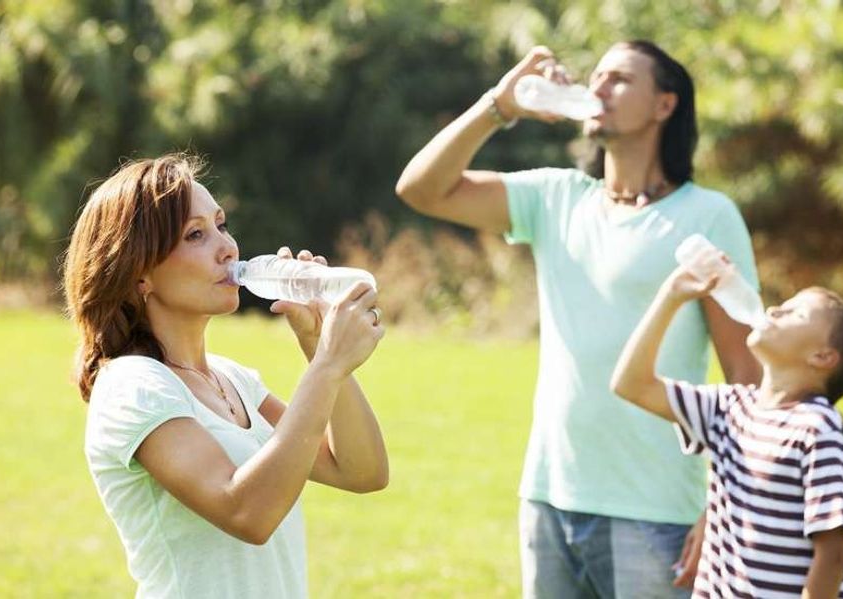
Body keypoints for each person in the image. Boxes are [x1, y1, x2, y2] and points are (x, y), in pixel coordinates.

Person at [396, 41, 762, 597]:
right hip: (549, 497)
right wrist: (501, 104)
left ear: (665, 105)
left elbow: (746, 376)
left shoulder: (709, 216)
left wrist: (724, 508)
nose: (598, 88)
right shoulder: (556, 197)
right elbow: (421, 189)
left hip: (655, 508)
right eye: (596, 76)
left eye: (619, 79)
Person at [63, 154, 388, 598]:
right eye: (196, 234)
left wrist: (316, 346)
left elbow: (361, 470)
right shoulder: (132, 386)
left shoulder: (233, 380)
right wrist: (328, 365)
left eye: (221, 224)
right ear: (140, 274)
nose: (228, 247)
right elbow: (247, 513)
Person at [610, 263, 843, 597]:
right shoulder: (728, 408)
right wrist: (671, 296)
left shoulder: (819, 432)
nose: (774, 309)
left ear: (822, 356)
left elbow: (832, 554)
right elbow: (631, 384)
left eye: (795, 313)